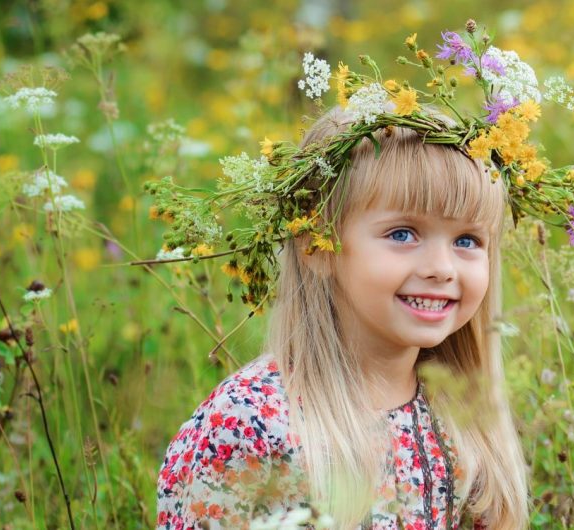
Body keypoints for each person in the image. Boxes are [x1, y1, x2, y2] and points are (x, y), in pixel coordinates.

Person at [155, 106, 529, 529]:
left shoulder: (460, 416)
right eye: (402, 234)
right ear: (317, 247)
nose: (442, 268)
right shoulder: (253, 420)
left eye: (467, 239)